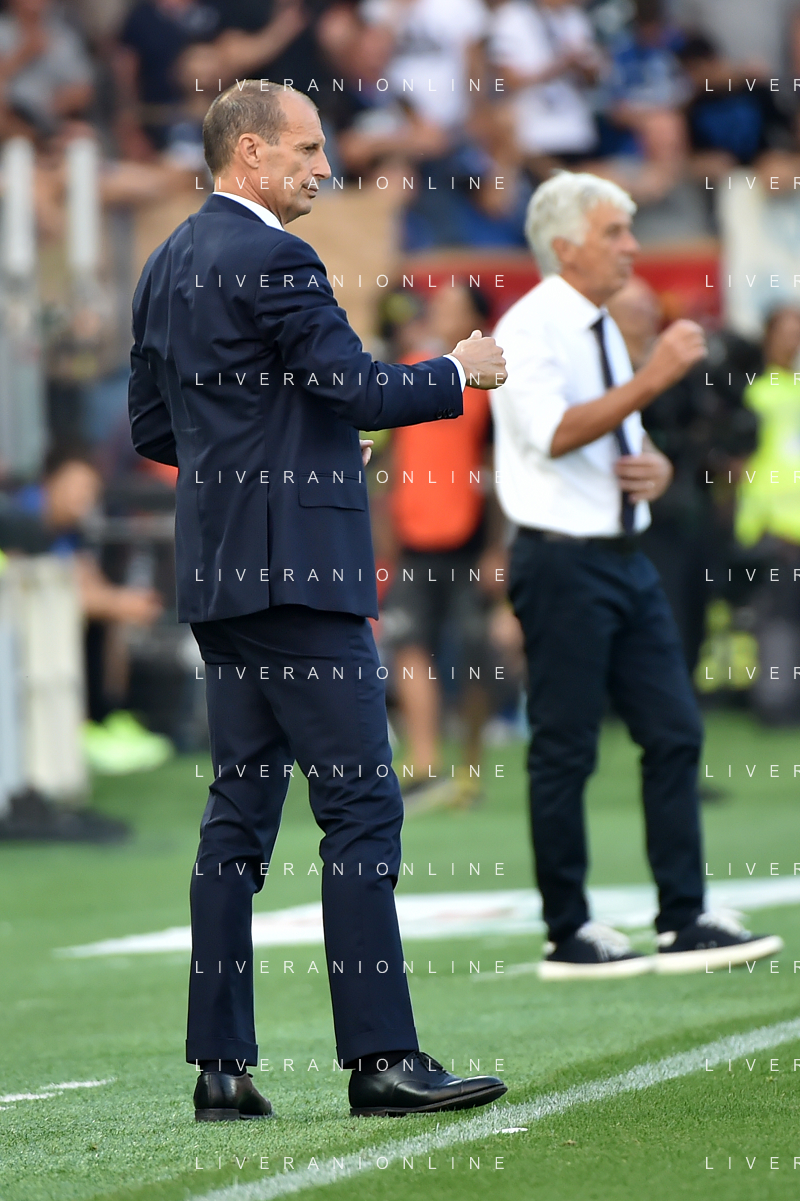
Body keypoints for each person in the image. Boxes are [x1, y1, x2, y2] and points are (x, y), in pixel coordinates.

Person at [128, 79, 508, 1120]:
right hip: (301, 572)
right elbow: (358, 388)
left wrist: (262, 449)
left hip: (219, 575)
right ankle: (381, 1057)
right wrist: (457, 369)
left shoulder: (166, 261)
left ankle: (220, 1068)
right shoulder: (279, 259)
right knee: (360, 809)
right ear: (248, 153)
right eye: (304, 150)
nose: (321, 169)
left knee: (237, 815)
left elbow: (155, 429)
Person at [491, 170, 783, 979]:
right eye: (614, 232)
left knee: (675, 730)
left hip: (624, 555)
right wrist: (656, 376)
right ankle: (567, 931)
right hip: (562, 559)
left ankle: (683, 917)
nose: (631, 246)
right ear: (566, 247)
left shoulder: (596, 325)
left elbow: (616, 431)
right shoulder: (529, 327)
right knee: (566, 746)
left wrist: (651, 463)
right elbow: (554, 432)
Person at [380, 283, 506, 811]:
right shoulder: (410, 370)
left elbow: (498, 471)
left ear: (478, 321)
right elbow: (389, 460)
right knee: (409, 646)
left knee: (476, 657)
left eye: (454, 308)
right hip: (414, 539)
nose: (440, 314)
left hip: (469, 541)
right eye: (439, 306)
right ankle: (425, 764)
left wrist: (497, 549)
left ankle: (470, 769)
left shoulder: (494, 385)